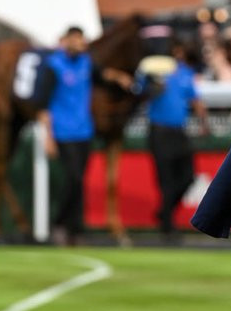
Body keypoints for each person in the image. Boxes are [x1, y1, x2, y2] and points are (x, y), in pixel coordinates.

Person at [37, 25, 131, 245]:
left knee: (79, 181)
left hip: (84, 130)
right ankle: (60, 224)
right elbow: (43, 106)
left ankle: (75, 229)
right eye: (77, 39)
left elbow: (103, 75)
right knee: (74, 177)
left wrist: (119, 77)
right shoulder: (54, 66)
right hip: (62, 131)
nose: (81, 44)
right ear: (67, 40)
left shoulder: (86, 63)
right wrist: (48, 136)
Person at [141, 37, 209, 238]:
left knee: (188, 177)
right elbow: (141, 92)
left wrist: (204, 122)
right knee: (167, 180)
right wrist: (153, 86)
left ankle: (165, 212)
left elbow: (195, 99)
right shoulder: (153, 71)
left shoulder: (185, 72)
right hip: (159, 131)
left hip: (179, 131)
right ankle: (167, 226)